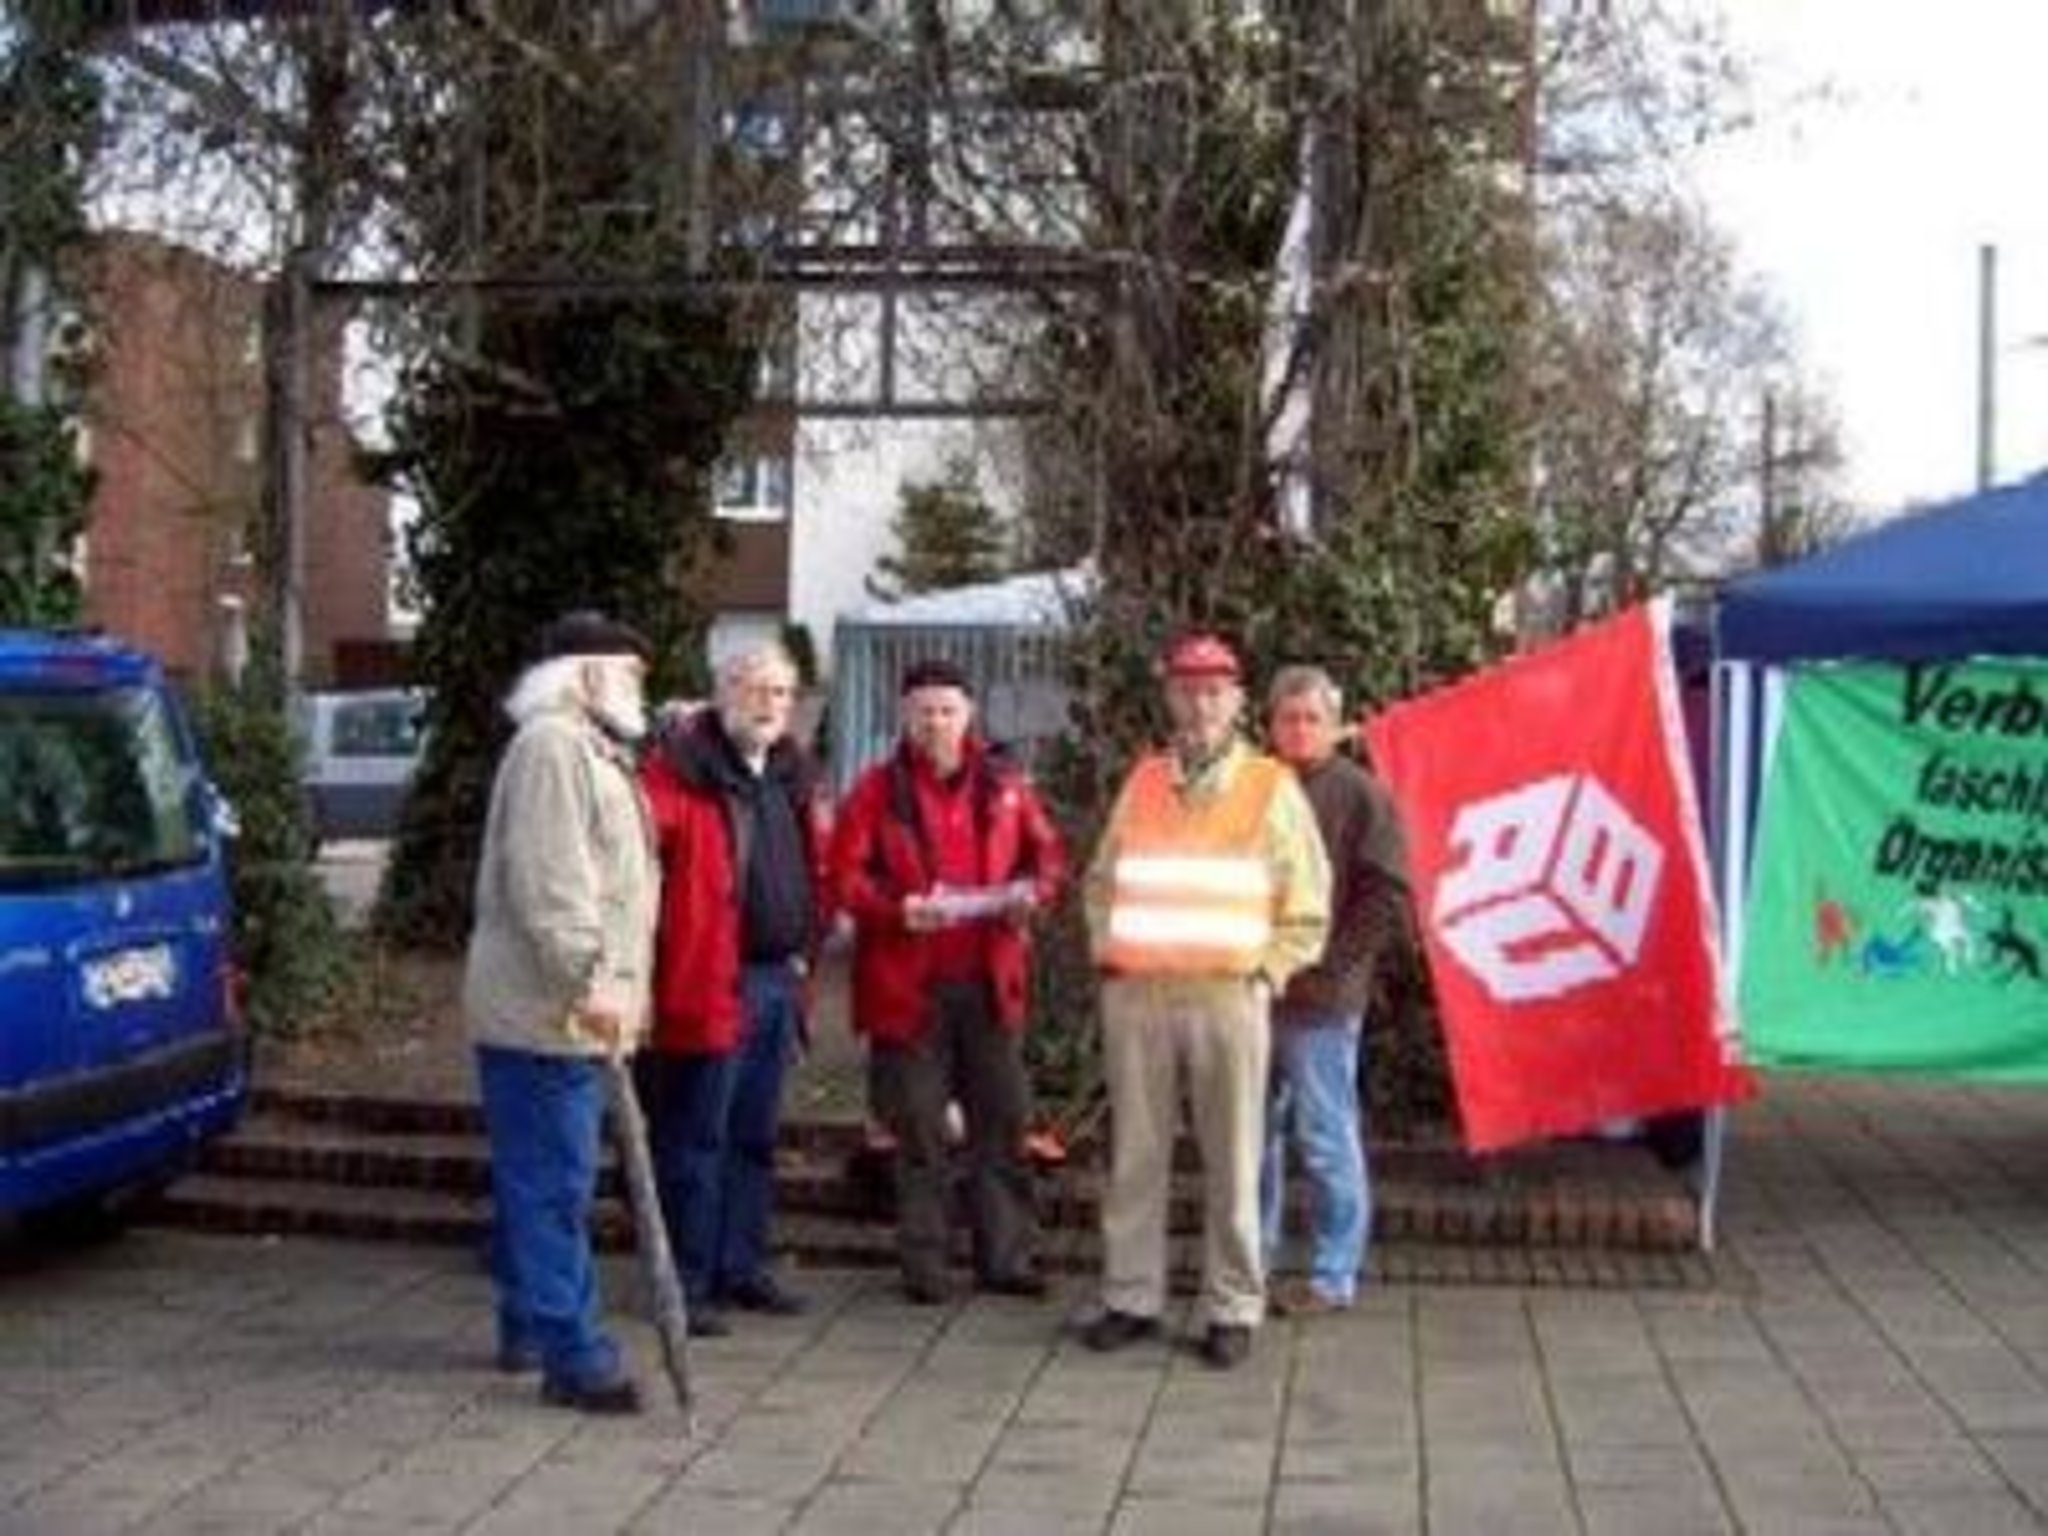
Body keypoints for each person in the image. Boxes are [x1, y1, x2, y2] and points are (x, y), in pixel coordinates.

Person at [1083, 633, 1330, 1370]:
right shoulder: (1144, 781)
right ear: (1170, 698)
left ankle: (1233, 1305)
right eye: (1187, 691)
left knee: (1235, 1158)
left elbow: (1308, 899)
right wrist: (1106, 951)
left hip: (1228, 993)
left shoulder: (1269, 786)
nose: (1199, 705)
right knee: (1135, 1156)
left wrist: (1270, 972)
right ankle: (1131, 1296)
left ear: (1237, 702)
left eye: (1214, 692)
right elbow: (1102, 880)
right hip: (1139, 994)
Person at [463, 610, 659, 1415]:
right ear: (587, 674)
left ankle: (527, 1323)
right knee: (554, 1185)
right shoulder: (553, 748)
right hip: (551, 1015)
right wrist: (592, 982)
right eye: (630, 672)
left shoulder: (590, 748)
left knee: (543, 1177)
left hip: (566, 1013)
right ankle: (574, 1355)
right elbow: (552, 885)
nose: (642, 687)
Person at [832, 658, 1067, 1304]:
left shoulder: (1006, 785)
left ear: (969, 716)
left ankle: (1006, 1259)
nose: (936, 722)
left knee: (1003, 1124)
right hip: (907, 990)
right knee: (919, 1132)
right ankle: (925, 1266)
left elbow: (1047, 855)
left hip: (990, 984)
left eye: (947, 710)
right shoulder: (874, 792)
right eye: (924, 712)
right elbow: (844, 877)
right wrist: (896, 910)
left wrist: (1033, 897)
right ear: (905, 718)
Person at [638, 642, 829, 1338]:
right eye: (753, 689)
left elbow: (813, 864)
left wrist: (807, 954)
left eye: (780, 692)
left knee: (753, 1135)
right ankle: (685, 1283)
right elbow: (640, 858)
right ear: (721, 695)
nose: (768, 705)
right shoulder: (680, 772)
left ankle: (740, 1266)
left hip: (778, 979)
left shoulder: (789, 772)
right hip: (710, 980)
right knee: (695, 1137)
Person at [1259, 664, 1412, 1316]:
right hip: (1251, 992)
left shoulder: (1360, 795)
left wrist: (1333, 966)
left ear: (1334, 724)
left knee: (1324, 1138)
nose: (1299, 730)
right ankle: (1251, 1262)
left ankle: (1332, 1275)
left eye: (1311, 718)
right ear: (1270, 725)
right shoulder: (1253, 787)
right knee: (1252, 1139)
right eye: (1288, 718)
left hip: (1320, 1004)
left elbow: (1386, 895)